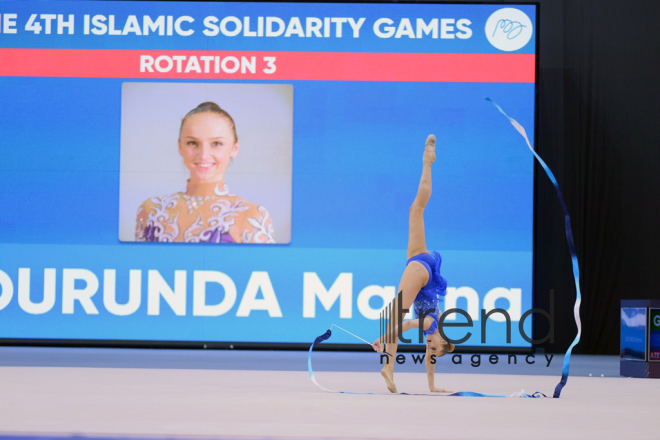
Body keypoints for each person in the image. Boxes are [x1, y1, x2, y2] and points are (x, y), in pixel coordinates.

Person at [372, 134, 455, 393]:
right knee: (396, 316)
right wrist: (382, 339)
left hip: (423, 263)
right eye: (434, 345)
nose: (429, 345)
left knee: (416, 209)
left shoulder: (435, 329)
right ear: (443, 340)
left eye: (430, 347)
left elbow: (431, 359)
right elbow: (406, 326)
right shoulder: (432, 325)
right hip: (421, 273)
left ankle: (427, 163)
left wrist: (432, 385)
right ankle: (388, 367)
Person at [135, 102, 275, 244]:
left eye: (216, 144)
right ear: (180, 147)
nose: (203, 155)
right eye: (192, 143)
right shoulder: (151, 210)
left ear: (234, 148)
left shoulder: (252, 215)